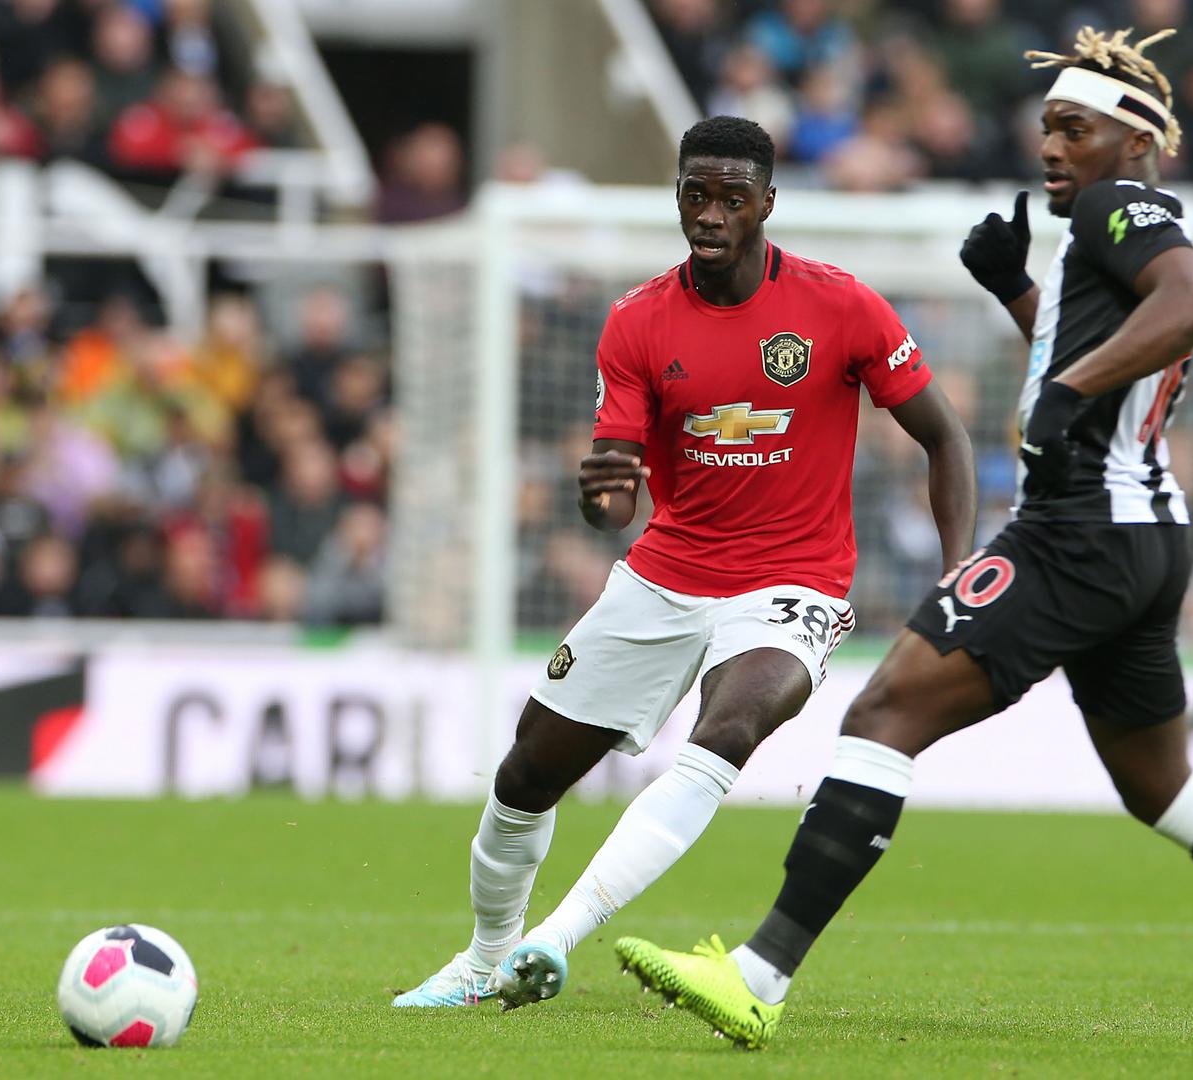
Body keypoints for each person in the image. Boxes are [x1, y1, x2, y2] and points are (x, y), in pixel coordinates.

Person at [613, 28, 1193, 1057]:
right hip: (1140, 540)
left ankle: (758, 975)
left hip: (1074, 534)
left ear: (1130, 141)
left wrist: (1068, 390)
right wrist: (1020, 299)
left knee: (881, 714)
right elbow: (1121, 345)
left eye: (1072, 128)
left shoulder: (1115, 205)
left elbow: (1186, 314)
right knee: (1161, 787)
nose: (1049, 145)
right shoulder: (1112, 225)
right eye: (1044, 126)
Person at [392, 116, 976, 1010]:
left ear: (767, 205)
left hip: (793, 583)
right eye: (694, 195)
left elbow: (947, 439)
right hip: (666, 574)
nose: (710, 214)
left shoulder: (842, 306)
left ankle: (555, 938)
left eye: (731, 198)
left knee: (730, 728)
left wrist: (957, 571)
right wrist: (599, 495)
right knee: (524, 775)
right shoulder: (636, 321)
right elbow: (613, 508)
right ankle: (483, 959)